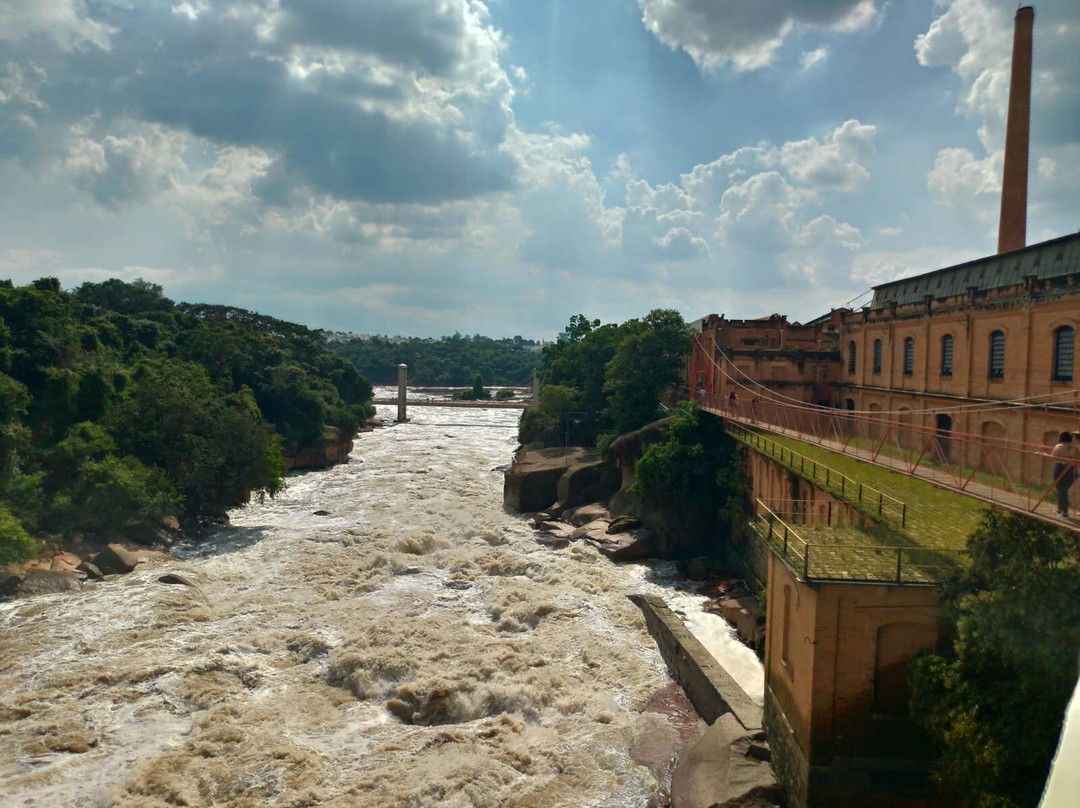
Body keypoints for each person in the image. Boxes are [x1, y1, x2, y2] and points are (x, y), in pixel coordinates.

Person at [1050, 432, 1079, 518]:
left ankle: (1065, 512)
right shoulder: (1075, 448)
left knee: (1061, 489)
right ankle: (1059, 509)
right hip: (1073, 469)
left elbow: (1053, 457)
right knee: (1063, 489)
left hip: (1060, 468)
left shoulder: (1059, 447)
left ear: (1061, 438)